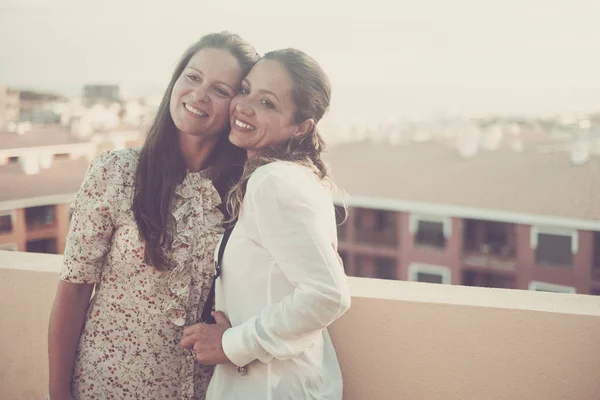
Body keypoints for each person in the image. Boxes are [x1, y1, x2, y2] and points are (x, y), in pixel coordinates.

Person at [47, 32, 259, 400]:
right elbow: (73, 292)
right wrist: (57, 393)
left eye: (220, 90)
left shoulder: (247, 191)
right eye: (193, 77)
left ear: (237, 107)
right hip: (107, 388)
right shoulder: (115, 173)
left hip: (206, 391)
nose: (199, 95)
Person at [180, 49, 351, 399]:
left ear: (300, 126)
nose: (244, 106)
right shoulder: (285, 176)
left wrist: (232, 343)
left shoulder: (273, 182)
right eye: (245, 90)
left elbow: (328, 295)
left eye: (268, 103)